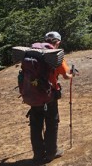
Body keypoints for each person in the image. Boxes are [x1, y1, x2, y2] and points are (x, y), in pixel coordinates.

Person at [29, 31, 73, 164]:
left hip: (33, 95)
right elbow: (66, 75)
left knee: (35, 125)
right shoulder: (56, 55)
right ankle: (51, 153)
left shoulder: (33, 52)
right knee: (51, 123)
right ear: (57, 42)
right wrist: (72, 75)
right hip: (49, 95)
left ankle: (38, 154)